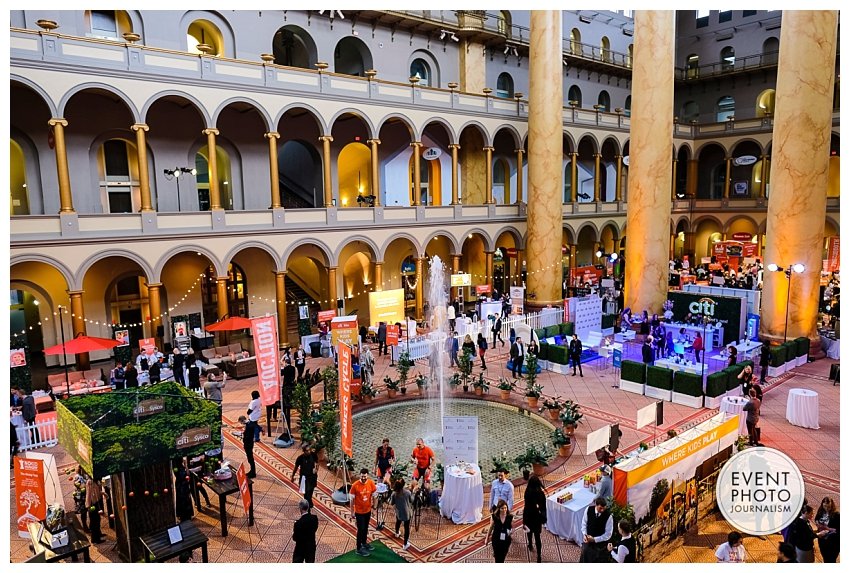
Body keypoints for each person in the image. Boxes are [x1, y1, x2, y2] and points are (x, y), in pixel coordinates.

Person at [350, 468, 377, 556]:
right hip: (359, 512)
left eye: (365, 476)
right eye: (362, 476)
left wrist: (374, 507)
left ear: (367, 476)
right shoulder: (355, 485)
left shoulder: (371, 483)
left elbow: (374, 495)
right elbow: (351, 500)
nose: (363, 478)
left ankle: (364, 543)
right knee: (360, 529)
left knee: (365, 528)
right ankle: (358, 548)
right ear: (360, 475)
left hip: (368, 511)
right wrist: (352, 512)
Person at [580, 496, 613, 563]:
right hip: (588, 543)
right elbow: (584, 524)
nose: (602, 510)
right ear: (596, 505)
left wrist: (595, 539)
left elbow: (608, 534)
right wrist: (585, 535)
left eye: (604, 508)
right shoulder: (588, 509)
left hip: (600, 546)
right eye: (600, 508)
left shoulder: (609, 517)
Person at [523, 475, 547, 563]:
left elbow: (526, 505)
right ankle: (539, 555)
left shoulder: (527, 492)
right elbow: (543, 506)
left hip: (528, 516)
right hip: (537, 518)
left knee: (529, 532)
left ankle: (530, 544)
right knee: (537, 537)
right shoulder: (541, 493)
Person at [292, 444, 319, 508]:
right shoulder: (300, 458)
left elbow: (317, 463)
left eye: (309, 450)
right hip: (304, 478)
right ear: (303, 451)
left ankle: (308, 502)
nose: (309, 452)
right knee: (306, 492)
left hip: (312, 477)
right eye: (307, 451)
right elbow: (296, 467)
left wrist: (316, 469)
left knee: (311, 490)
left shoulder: (313, 455)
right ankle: (308, 504)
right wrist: (292, 476)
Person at [292, 498, 319, 563]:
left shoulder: (298, 523)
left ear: (300, 508)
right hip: (311, 546)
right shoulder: (314, 518)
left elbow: (295, 538)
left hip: (300, 548)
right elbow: (315, 529)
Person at [390, 478, 413, 550]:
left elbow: (392, 503)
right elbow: (411, 500)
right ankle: (405, 544)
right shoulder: (407, 492)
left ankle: (397, 533)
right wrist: (414, 492)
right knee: (406, 528)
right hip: (407, 513)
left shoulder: (394, 494)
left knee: (398, 522)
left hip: (398, 512)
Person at [814, 497, 840, 563]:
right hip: (822, 539)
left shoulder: (836, 515)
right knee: (825, 557)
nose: (826, 508)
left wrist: (827, 528)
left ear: (832, 505)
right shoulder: (821, 511)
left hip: (833, 542)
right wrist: (817, 523)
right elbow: (816, 518)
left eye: (828, 507)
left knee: (831, 559)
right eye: (825, 506)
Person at [85, 476, 106, 543]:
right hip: (92, 504)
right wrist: (88, 505)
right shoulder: (90, 482)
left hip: (96, 502)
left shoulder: (96, 481)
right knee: (94, 521)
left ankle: (98, 534)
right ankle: (95, 539)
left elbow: (97, 491)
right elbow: (88, 494)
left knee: (97, 520)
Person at [174, 458, 194, 522]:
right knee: (183, 500)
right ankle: (184, 516)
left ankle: (187, 515)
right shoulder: (177, 468)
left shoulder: (182, 466)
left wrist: (186, 465)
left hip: (184, 484)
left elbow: (188, 474)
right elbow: (183, 475)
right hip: (181, 485)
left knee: (187, 499)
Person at [72, 466, 89, 531]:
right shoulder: (79, 477)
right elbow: (81, 486)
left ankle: (85, 526)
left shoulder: (78, 476)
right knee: (83, 512)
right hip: (81, 497)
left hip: (80, 496)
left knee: (84, 512)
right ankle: (85, 527)